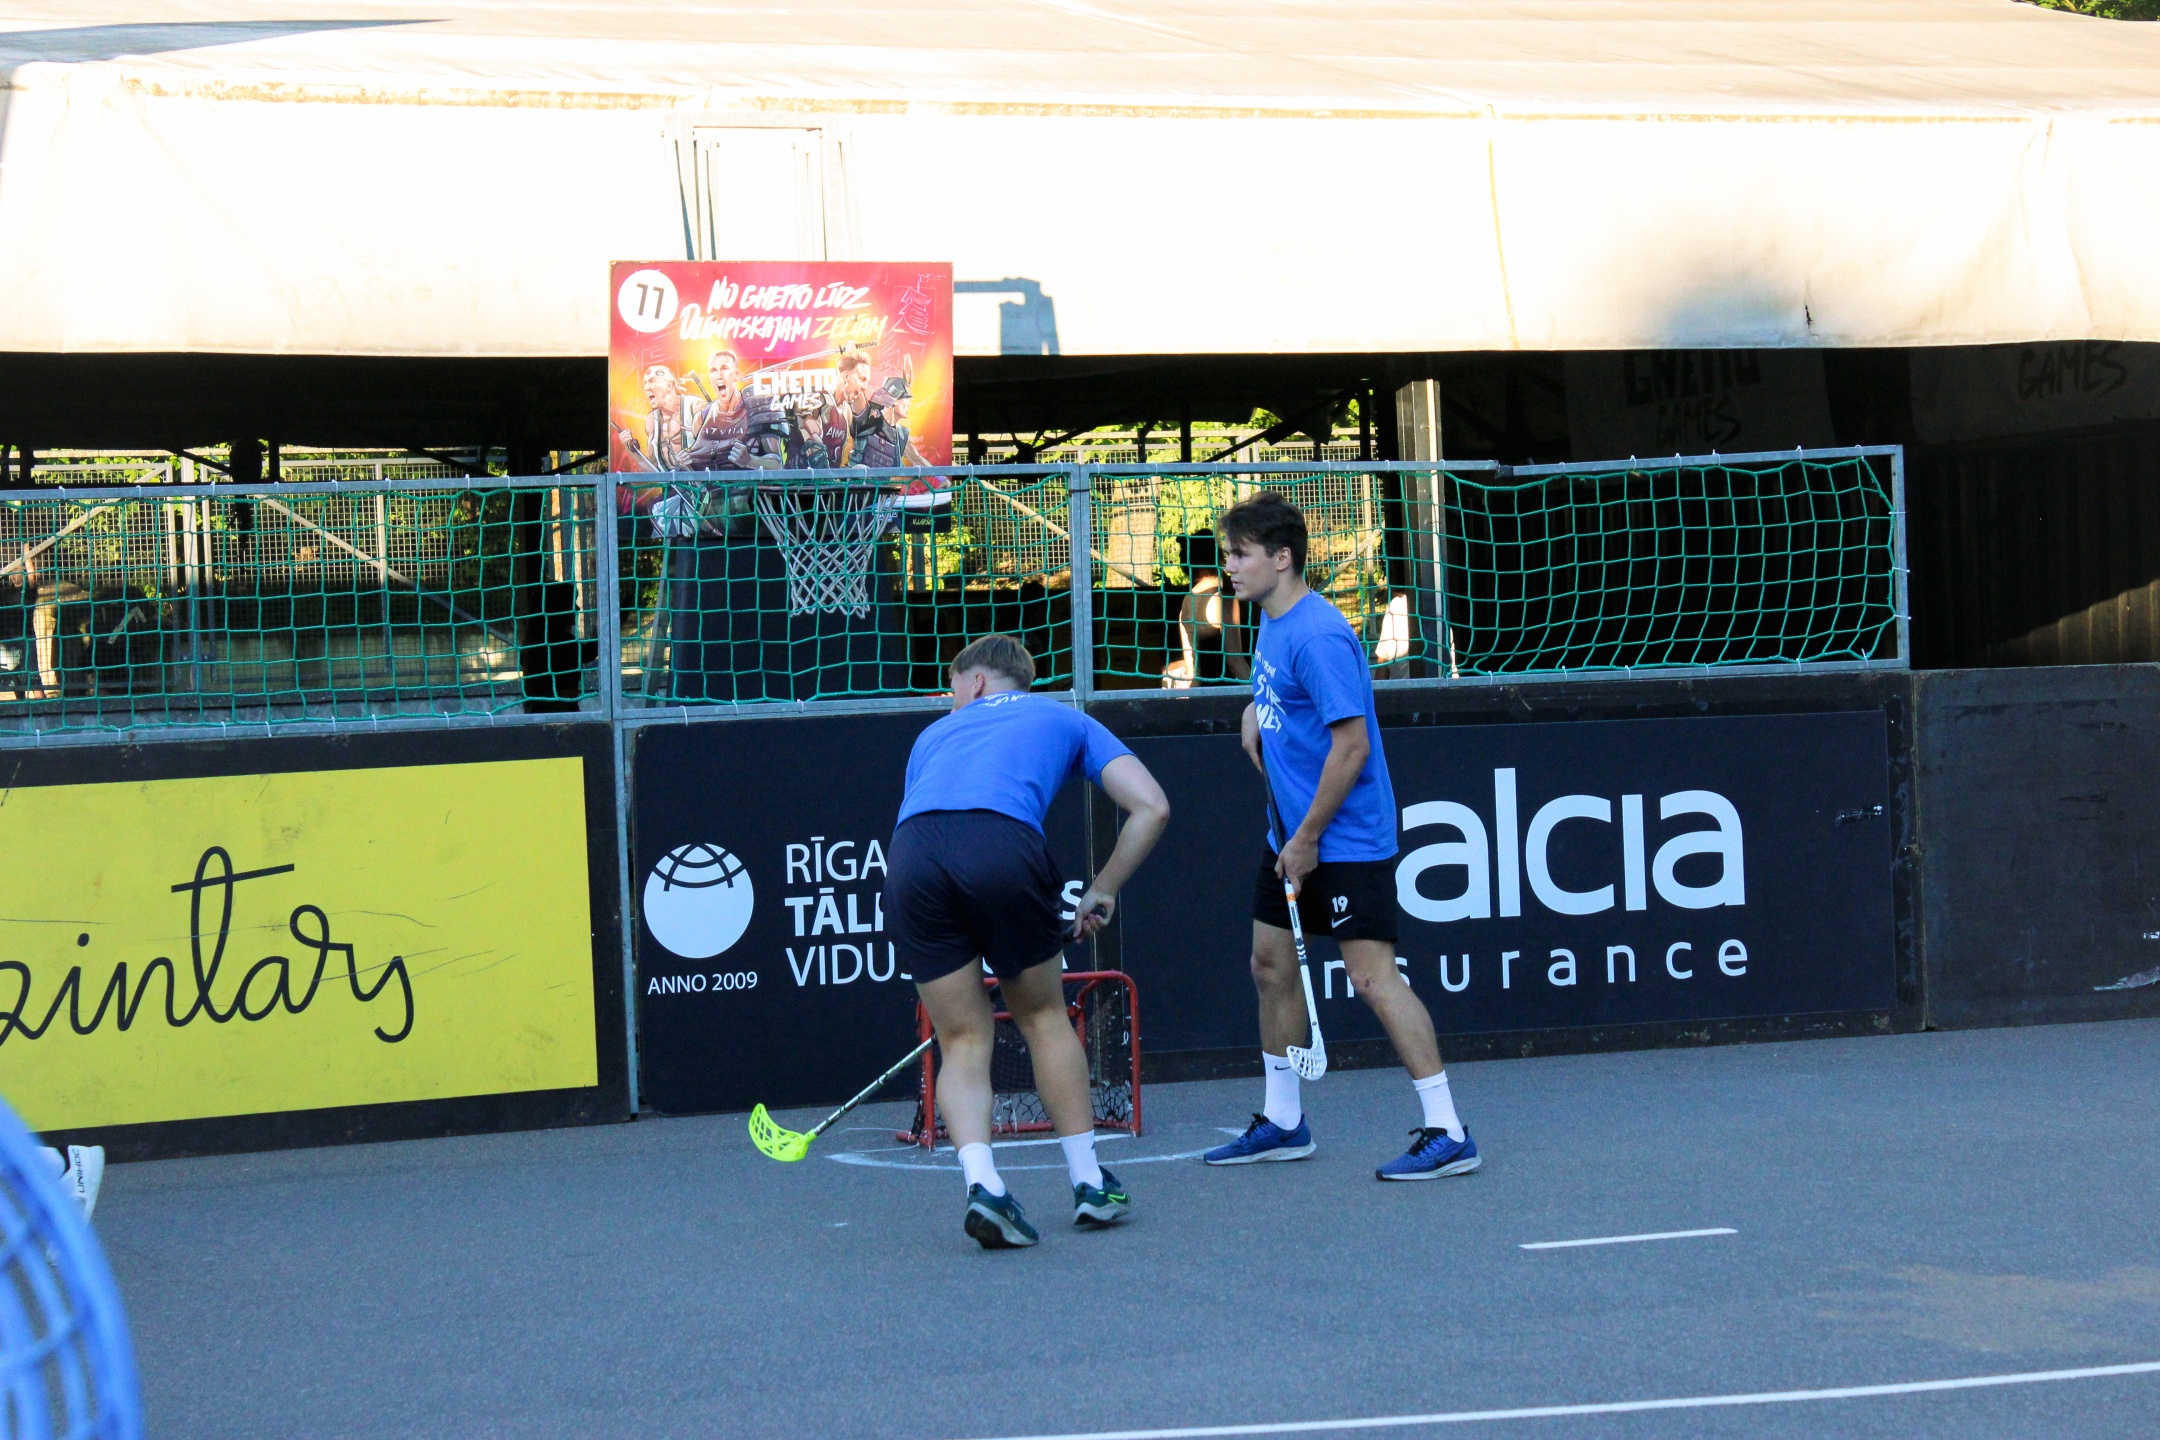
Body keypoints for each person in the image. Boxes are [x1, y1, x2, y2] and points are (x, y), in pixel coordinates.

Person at [1202, 491, 1479, 1181]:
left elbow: (1351, 747)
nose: (1229, 567)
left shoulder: (1319, 635)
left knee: (1372, 978)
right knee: (1269, 966)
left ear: (1282, 558)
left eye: (1239, 555)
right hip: (1289, 834)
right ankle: (1284, 1121)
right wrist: (1255, 711)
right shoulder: (1272, 619)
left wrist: (1308, 839)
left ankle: (1448, 1131)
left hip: (1344, 838)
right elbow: (1289, 699)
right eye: (1228, 554)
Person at [884, 633, 1171, 1248]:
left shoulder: (932, 735)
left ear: (976, 682)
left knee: (962, 1038)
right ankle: (1089, 1183)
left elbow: (933, 819)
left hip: (911, 856)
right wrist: (1104, 889)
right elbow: (1152, 806)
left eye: (953, 689)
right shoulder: (1066, 717)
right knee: (1042, 1016)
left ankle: (985, 1187)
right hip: (1001, 841)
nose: (952, 701)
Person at [1161, 531, 1249, 688]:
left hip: (1201, 692)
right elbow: (1235, 660)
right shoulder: (1224, 599)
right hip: (1225, 691)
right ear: (1217, 557)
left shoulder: (1187, 600)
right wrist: (1257, 691)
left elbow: (1191, 670)